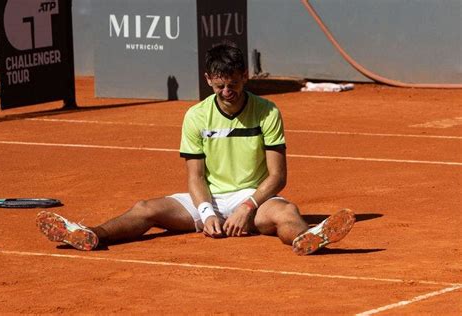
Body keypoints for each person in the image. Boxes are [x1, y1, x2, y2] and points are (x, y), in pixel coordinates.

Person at [36, 44, 355, 255]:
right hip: (208, 198)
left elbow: (277, 176)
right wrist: (206, 213)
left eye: (233, 84)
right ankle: (90, 234)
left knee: (287, 212)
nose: (227, 92)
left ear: (245, 75)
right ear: (208, 80)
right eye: (219, 86)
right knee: (145, 208)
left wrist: (247, 206)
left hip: (255, 200)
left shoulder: (268, 112)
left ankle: (308, 238)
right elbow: (196, 176)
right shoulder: (196, 116)